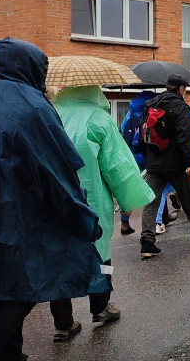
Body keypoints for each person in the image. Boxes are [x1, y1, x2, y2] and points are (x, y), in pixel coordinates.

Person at [0, 38, 106, 361]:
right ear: (32, 67)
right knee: (28, 285)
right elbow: (56, 167)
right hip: (21, 214)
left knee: (6, 286)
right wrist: (78, 212)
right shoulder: (33, 105)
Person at [48, 85, 156, 342]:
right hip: (92, 199)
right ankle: (100, 307)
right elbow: (117, 165)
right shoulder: (98, 119)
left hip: (52, 201)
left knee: (56, 258)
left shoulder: (49, 113)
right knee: (100, 254)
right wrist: (128, 199)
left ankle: (63, 323)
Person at [138, 74, 190, 259]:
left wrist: (148, 158)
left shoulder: (150, 104)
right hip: (175, 163)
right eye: (185, 88)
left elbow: (142, 134)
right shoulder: (181, 107)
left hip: (154, 162)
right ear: (181, 89)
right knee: (188, 198)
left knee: (152, 202)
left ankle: (147, 243)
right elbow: (184, 137)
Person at [118, 89, 157, 235]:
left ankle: (124, 222)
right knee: (156, 184)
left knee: (129, 187)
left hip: (130, 154)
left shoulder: (131, 112)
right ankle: (162, 217)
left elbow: (123, 130)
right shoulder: (149, 111)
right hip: (146, 153)